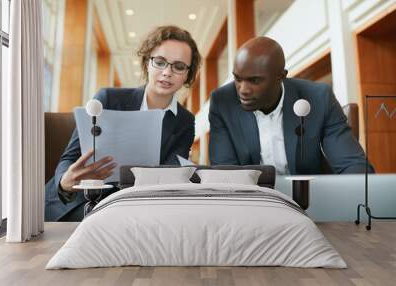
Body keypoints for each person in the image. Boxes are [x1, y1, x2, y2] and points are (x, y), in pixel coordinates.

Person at [45, 25, 201, 221]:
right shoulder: (108, 99)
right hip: (83, 203)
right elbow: (70, 157)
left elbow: (170, 174)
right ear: (147, 63)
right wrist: (64, 182)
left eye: (178, 66)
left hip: (139, 208)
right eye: (160, 62)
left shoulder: (185, 121)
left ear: (188, 74)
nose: (167, 72)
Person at [209, 36, 373, 175]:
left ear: (281, 77)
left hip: (308, 202)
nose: (242, 90)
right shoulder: (222, 102)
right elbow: (225, 175)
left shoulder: (319, 98)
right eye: (237, 79)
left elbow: (353, 165)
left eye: (254, 80)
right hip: (252, 203)